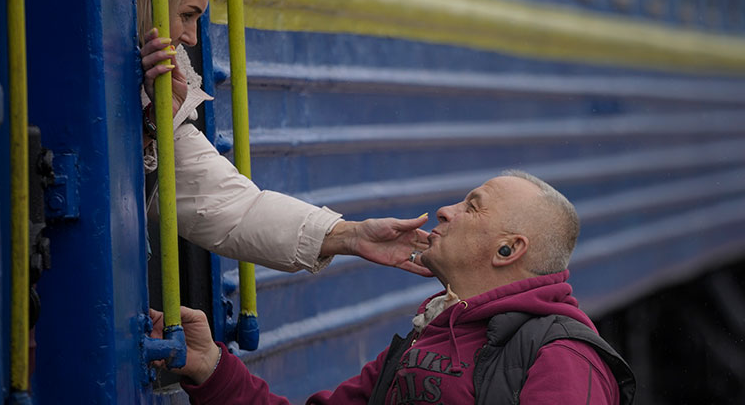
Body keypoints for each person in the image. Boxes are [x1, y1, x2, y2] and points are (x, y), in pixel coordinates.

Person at [151, 170, 637, 404]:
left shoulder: (563, 359)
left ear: (508, 250)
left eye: (472, 206)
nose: (446, 211)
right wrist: (211, 367)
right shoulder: (425, 337)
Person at [134, 0, 430, 275]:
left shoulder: (164, 87)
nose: (192, 38)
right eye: (187, 14)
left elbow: (232, 208)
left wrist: (351, 236)